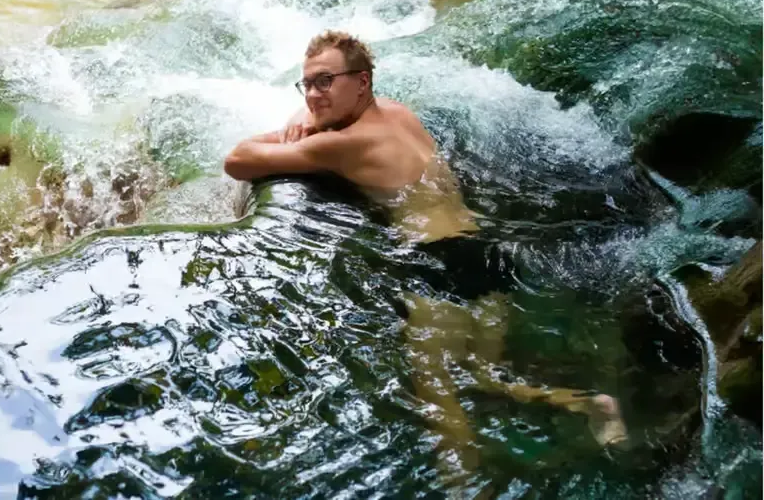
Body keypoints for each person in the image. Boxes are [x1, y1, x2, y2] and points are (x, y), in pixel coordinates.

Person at [224, 31, 628, 467]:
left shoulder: (342, 145)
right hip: (486, 251)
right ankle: (592, 403)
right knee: (485, 378)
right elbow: (334, 112)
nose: (314, 94)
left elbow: (238, 159)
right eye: (306, 84)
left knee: (442, 409)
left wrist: (300, 124)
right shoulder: (399, 113)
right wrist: (308, 111)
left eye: (325, 81)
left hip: (437, 262)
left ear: (361, 82)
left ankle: (464, 487)